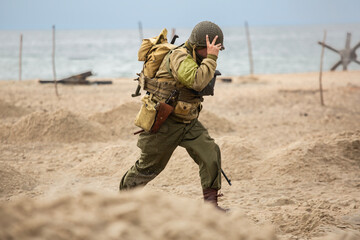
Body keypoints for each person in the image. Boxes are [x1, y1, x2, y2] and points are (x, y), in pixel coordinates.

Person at [119, 21, 226, 211]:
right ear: (197, 46)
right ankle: (122, 203)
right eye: (207, 50)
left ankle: (211, 208)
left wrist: (208, 58)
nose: (211, 53)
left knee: (211, 154)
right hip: (164, 122)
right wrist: (211, 59)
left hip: (188, 121)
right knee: (149, 167)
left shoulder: (197, 58)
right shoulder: (179, 57)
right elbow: (196, 81)